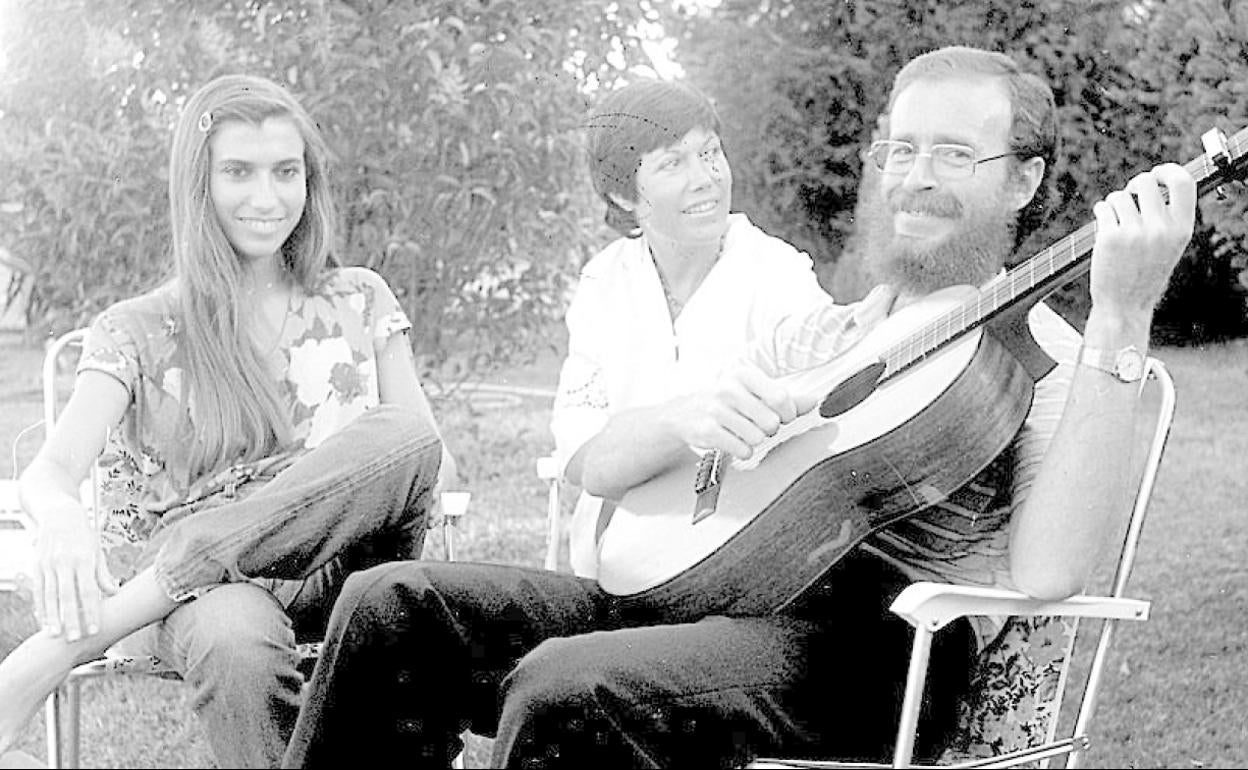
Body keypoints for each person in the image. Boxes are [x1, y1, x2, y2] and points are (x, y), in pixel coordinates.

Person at [283, 47, 1196, 769]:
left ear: (1025, 182)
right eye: (903, 150)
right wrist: (697, 424)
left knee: (573, 687)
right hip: (701, 601)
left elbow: (1051, 570)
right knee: (389, 602)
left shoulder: (1039, 361)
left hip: (872, 657)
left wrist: (1123, 312)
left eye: (955, 153)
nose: (916, 177)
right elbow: (610, 470)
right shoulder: (818, 336)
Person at [0, 74, 454, 767]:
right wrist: (60, 516)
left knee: (407, 433)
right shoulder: (140, 328)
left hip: (346, 566)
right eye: (238, 172)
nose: (266, 198)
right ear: (198, 184)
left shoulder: (361, 300)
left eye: (286, 172)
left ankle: (60, 650)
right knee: (236, 640)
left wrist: (313, 491)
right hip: (201, 602)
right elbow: (51, 471)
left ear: (310, 180)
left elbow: (428, 458)